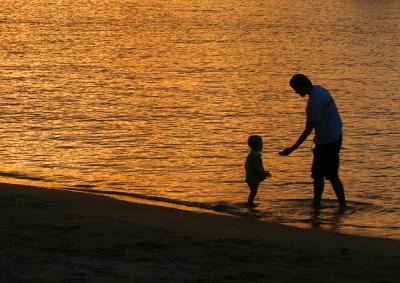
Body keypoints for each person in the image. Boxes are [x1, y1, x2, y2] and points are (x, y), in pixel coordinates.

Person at [279, 74, 346, 209]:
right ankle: (335, 204)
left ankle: (322, 204)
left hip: (328, 141)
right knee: (324, 174)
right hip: (335, 135)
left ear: (303, 86)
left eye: (296, 89)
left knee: (323, 175)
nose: (296, 92)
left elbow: (308, 129)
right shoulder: (321, 90)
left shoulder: (313, 102)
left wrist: (292, 149)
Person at [245, 135, 271, 207]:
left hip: (249, 177)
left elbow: (246, 166)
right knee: (254, 191)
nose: (262, 145)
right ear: (258, 145)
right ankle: (250, 203)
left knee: (253, 191)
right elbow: (258, 168)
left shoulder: (250, 155)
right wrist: (265, 173)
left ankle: (250, 203)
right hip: (253, 178)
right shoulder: (256, 156)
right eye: (261, 143)